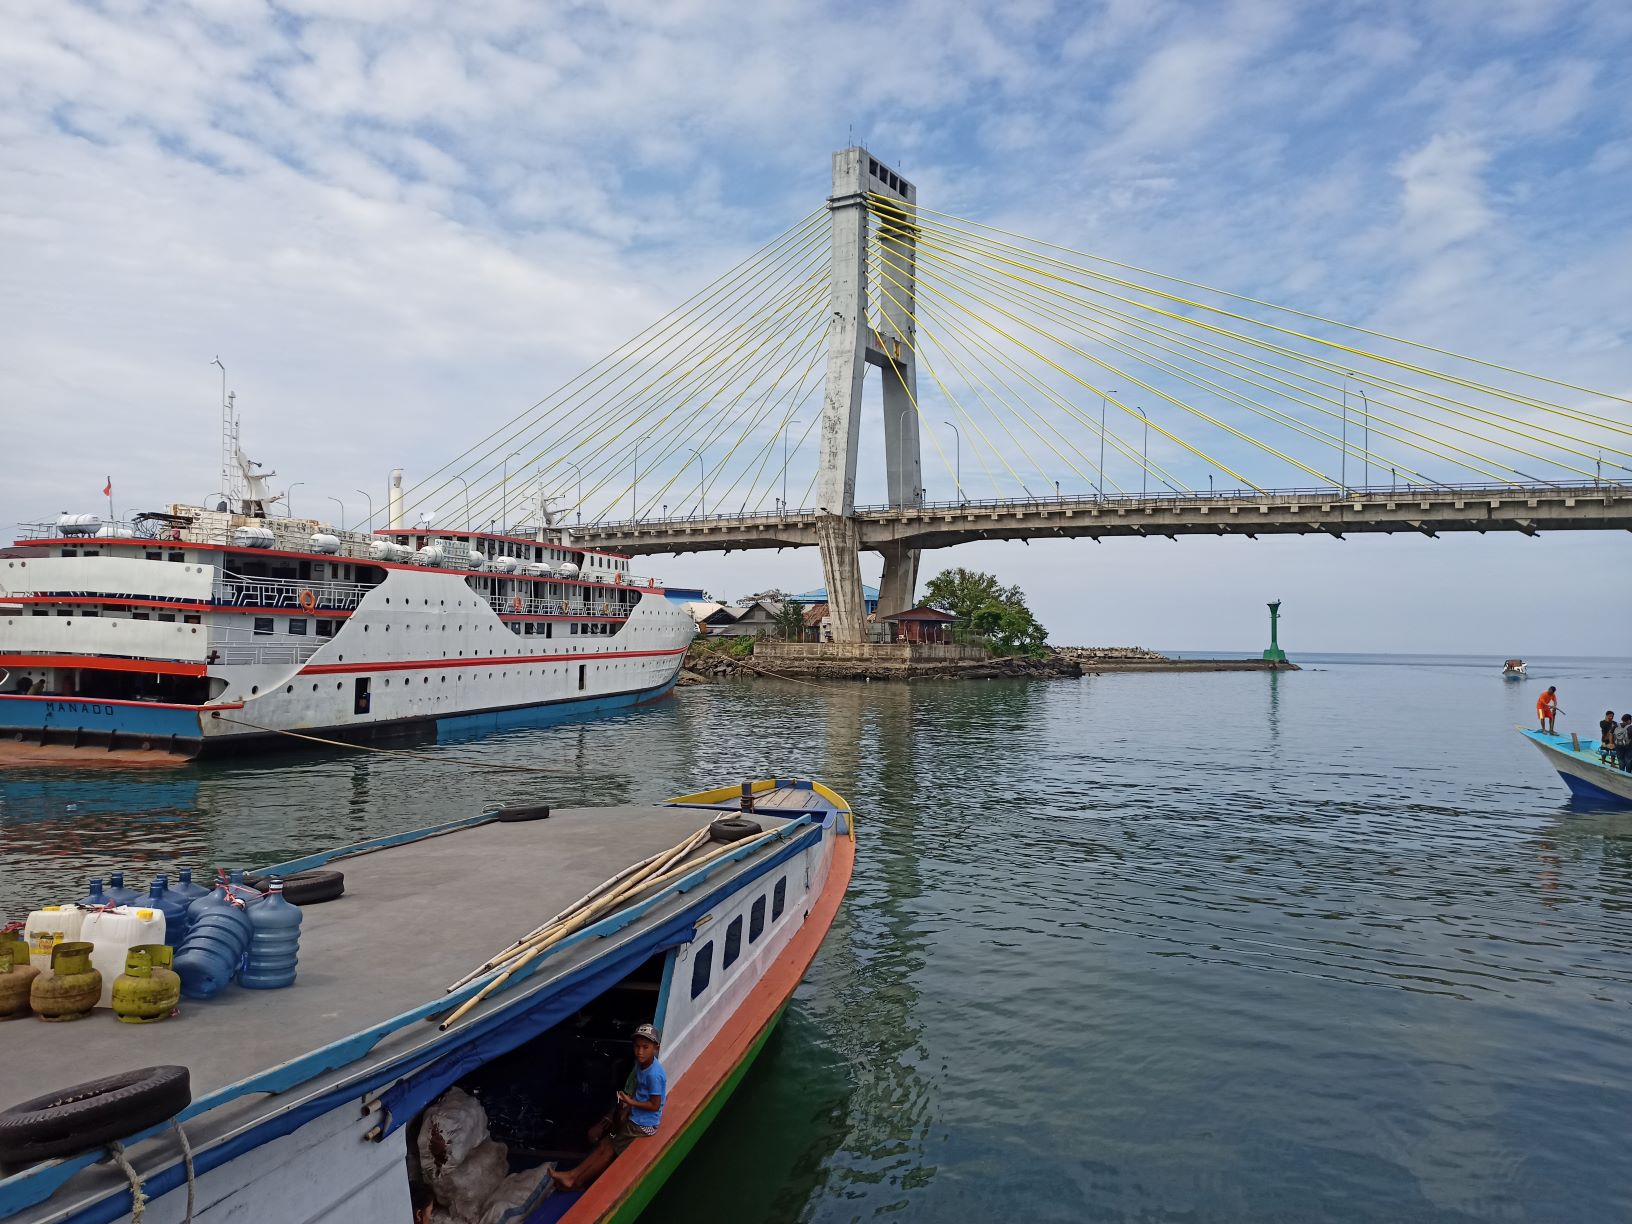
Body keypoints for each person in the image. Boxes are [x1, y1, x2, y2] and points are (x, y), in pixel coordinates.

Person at [549, 1023, 667, 1193]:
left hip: (641, 1126)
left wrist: (630, 1104)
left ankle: (576, 1181)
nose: (640, 1052)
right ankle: (572, 1175)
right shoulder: (641, 1066)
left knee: (609, 1147)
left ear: (656, 1048)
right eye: (637, 1047)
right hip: (632, 1118)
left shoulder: (654, 1074)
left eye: (645, 1047)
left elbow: (655, 1106)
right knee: (605, 1142)